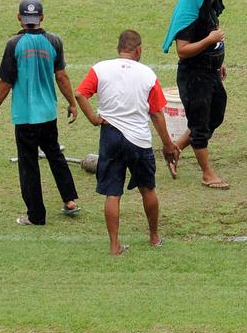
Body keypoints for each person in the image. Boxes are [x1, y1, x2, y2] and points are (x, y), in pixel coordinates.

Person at [75, 29, 179, 255]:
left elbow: (80, 94)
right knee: (147, 189)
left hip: (110, 135)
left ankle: (114, 245)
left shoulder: (100, 68)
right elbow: (157, 114)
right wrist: (168, 144)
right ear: (138, 50)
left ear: (118, 48)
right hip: (138, 140)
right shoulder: (147, 74)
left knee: (113, 193)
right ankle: (154, 237)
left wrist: (93, 118)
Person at [0, 0, 81, 225]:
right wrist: (72, 102)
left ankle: (36, 216)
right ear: (42, 17)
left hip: (25, 116)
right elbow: (62, 76)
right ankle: (70, 200)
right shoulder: (54, 41)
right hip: (48, 113)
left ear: (19, 18)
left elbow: (6, 81)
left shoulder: (14, 44)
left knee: (28, 165)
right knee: (55, 156)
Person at [162, 0, 229, 189]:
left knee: (216, 113)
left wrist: (219, 62)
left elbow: (213, 32)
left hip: (210, 71)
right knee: (200, 123)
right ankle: (207, 174)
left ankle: (176, 148)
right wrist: (210, 40)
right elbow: (182, 50)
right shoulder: (189, 15)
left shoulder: (208, 7)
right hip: (194, 76)